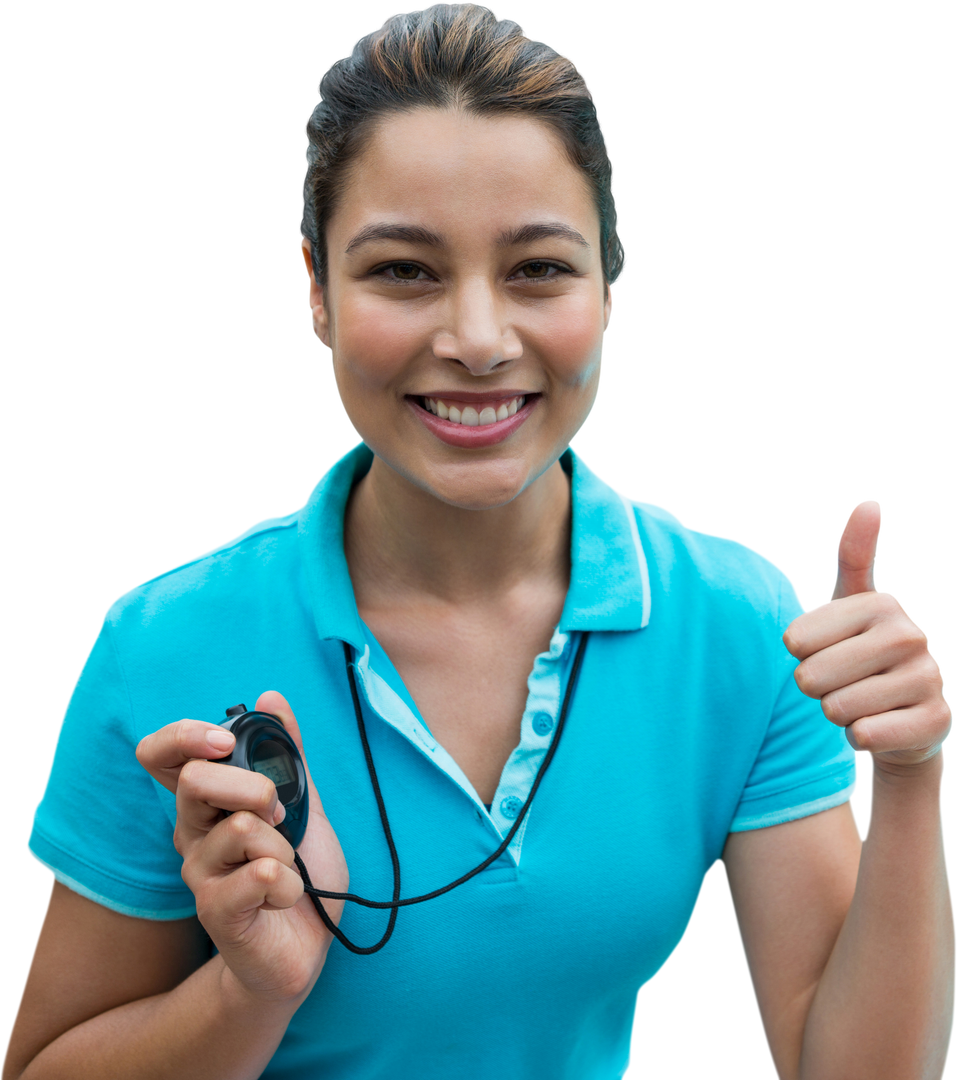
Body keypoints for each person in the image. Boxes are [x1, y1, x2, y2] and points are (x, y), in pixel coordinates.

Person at [6, 4, 954, 1078]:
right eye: (404, 271)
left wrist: (912, 772)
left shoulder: (738, 624)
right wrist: (249, 988)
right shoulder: (162, 641)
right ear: (315, 289)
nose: (476, 339)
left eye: (538, 270)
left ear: (608, 292)